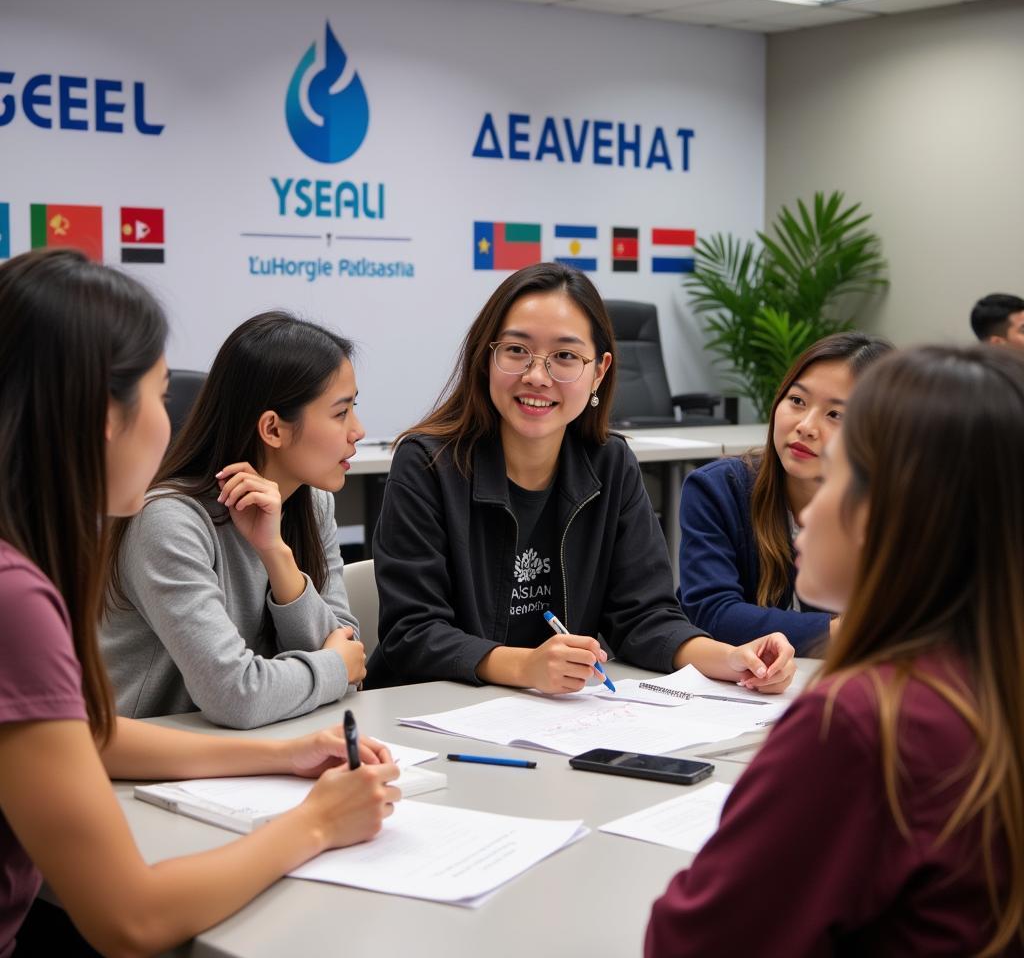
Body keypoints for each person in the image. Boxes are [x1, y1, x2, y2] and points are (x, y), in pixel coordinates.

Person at [0, 249, 399, 958]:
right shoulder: (16, 597)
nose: (169, 420)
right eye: (158, 394)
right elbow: (131, 921)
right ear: (101, 416)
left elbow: (86, 732)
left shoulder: (21, 567)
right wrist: (314, 824)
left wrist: (284, 754)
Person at [647, 345, 1024, 957]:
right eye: (796, 402)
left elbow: (692, 942)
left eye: (840, 473)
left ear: (901, 513)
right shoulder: (989, 674)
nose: (812, 508)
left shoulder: (857, 725)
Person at [367, 262, 795, 694]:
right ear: (486, 356)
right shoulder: (427, 465)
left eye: (565, 357)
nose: (536, 376)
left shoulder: (611, 464)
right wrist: (525, 667)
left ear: (600, 371)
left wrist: (731, 658)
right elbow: (413, 634)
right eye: (517, 350)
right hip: (425, 716)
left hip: (550, 718)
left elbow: (644, 617)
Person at [102, 311, 367, 729]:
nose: (359, 431)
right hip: (147, 769)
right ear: (273, 429)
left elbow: (349, 656)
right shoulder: (168, 521)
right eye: (340, 413)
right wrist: (332, 666)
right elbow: (234, 695)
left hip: (260, 746)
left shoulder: (312, 503)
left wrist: (276, 555)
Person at [677, 332, 891, 655]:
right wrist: (835, 631)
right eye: (797, 401)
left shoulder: (893, 508)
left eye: (835, 414)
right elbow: (713, 614)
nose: (806, 426)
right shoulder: (719, 488)